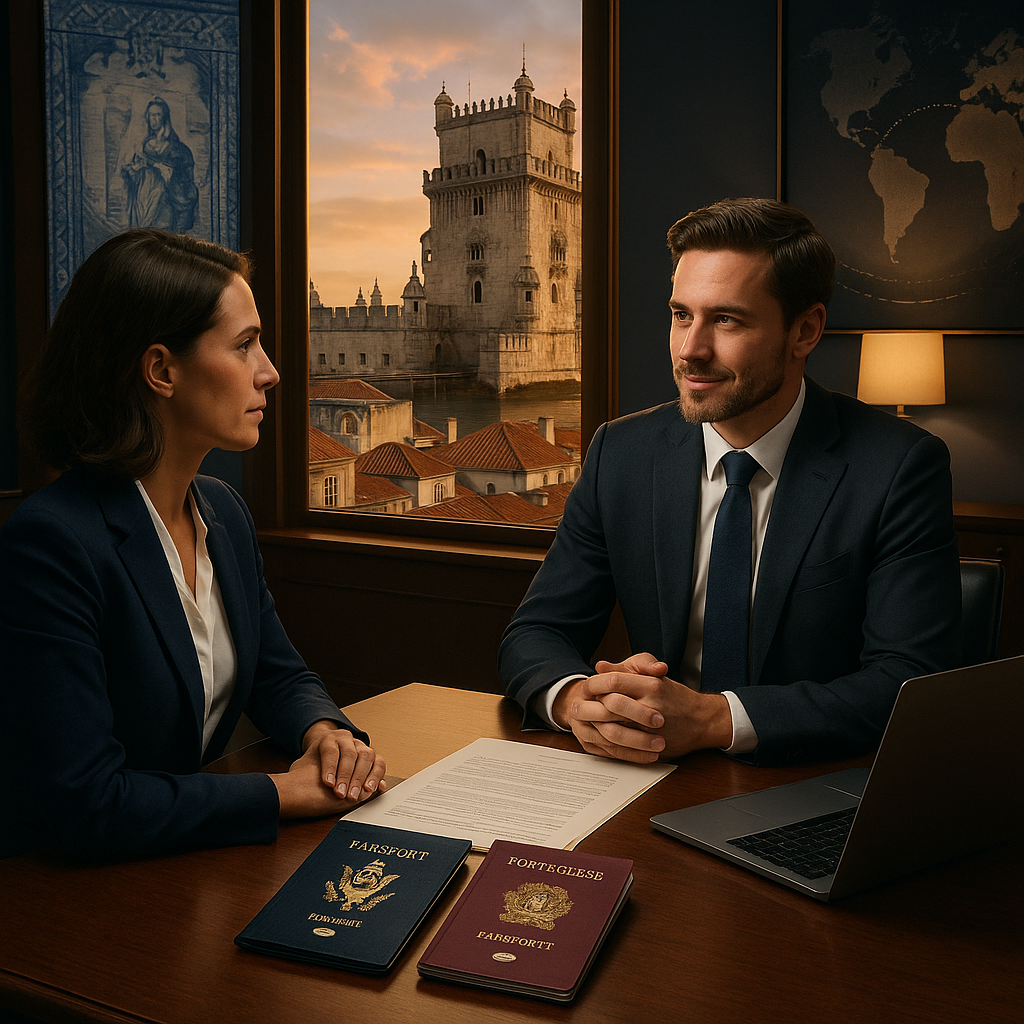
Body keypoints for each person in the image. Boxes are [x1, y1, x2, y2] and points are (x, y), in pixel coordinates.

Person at [499, 197, 961, 768]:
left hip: (810, 782)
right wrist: (574, 700)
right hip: (645, 776)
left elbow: (908, 679)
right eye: (680, 315)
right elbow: (537, 631)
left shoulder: (898, 466)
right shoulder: (620, 452)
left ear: (805, 330)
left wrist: (716, 720)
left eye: (727, 319)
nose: (691, 350)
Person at [0, 229, 386, 861]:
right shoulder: (52, 544)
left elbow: (277, 673)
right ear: (161, 371)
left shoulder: (224, 512)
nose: (271, 371)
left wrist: (325, 732)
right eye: (245, 345)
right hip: (65, 903)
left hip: (179, 864)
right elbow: (82, 802)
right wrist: (281, 794)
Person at [121, 97, 199, 233]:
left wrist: (167, 172)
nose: (155, 119)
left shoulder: (176, 148)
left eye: (158, 115)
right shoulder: (146, 145)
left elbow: (184, 177)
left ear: (164, 117)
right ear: (147, 117)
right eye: (152, 115)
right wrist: (132, 170)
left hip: (165, 201)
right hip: (145, 197)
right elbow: (141, 173)